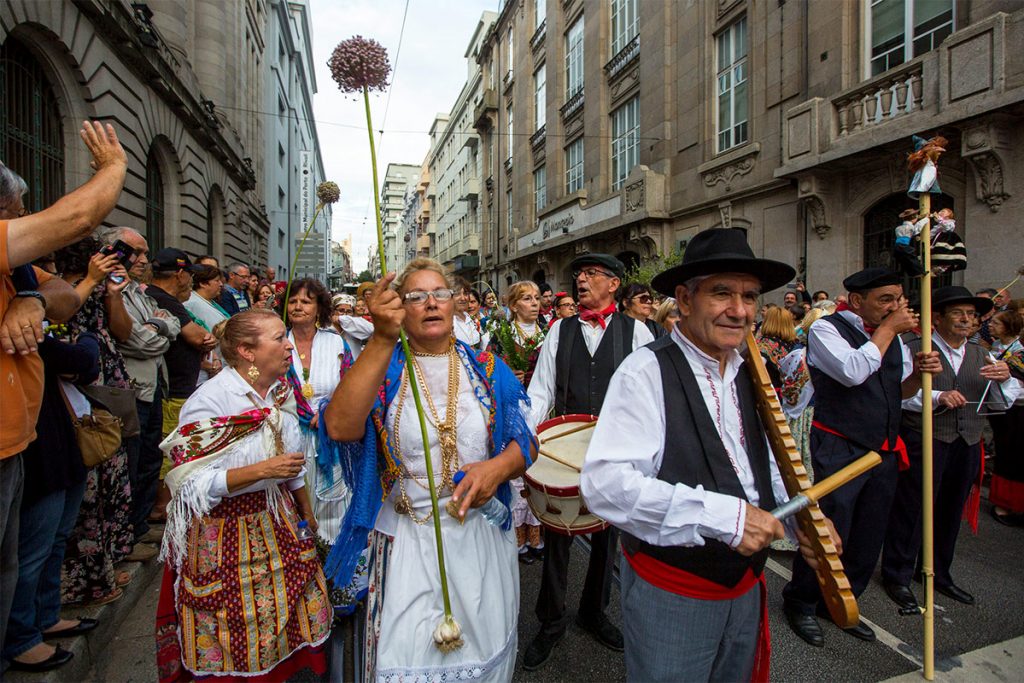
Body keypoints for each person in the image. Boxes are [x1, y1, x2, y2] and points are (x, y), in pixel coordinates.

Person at [580, 227, 832, 682]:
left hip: (745, 587)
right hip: (674, 593)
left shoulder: (750, 371)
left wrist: (801, 521)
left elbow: (768, 464)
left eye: (750, 296)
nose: (740, 310)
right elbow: (605, 486)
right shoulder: (644, 371)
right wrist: (727, 518)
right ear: (685, 298)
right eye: (722, 293)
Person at [320, 259, 536, 681]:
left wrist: (496, 469)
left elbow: (526, 442)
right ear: (400, 308)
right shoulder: (381, 371)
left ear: (456, 303)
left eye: (439, 294)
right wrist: (382, 339)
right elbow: (341, 427)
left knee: (483, 653)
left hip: (479, 539)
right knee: (405, 660)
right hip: (406, 541)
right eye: (415, 297)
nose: (430, 303)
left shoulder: (487, 368)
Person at [0, 122, 126, 660]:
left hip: (15, 442)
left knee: (13, 563)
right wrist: (113, 169)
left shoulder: (18, 273)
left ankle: (25, 631)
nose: (20, 221)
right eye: (15, 211)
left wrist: (29, 297)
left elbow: (63, 297)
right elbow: (77, 218)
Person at [155, 308, 330, 681]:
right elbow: (189, 484)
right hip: (223, 534)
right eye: (279, 338)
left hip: (276, 521)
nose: (289, 346)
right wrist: (261, 471)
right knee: (233, 628)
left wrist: (306, 513)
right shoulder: (212, 401)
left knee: (287, 614)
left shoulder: (278, 393)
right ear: (247, 352)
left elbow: (292, 464)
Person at [782, 267, 941, 647]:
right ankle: (801, 601)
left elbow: (896, 392)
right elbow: (853, 373)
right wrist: (889, 330)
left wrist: (919, 375)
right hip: (840, 446)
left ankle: (843, 601)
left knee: (869, 534)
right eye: (886, 300)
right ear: (857, 301)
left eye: (898, 300)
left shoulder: (894, 340)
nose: (896, 307)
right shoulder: (826, 330)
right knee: (829, 530)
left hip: (883, 448)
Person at [523, 253, 654, 670]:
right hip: (564, 449)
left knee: (606, 536)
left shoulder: (638, 333)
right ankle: (551, 620)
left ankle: (594, 611)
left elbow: (650, 394)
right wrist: (527, 439)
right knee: (558, 530)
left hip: (614, 451)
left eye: (591, 274)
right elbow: (542, 388)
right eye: (578, 274)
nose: (581, 279)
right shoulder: (559, 329)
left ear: (613, 284)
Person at [882, 287, 1018, 610]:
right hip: (927, 438)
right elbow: (897, 394)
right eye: (958, 313)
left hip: (968, 441)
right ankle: (897, 575)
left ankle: (938, 573)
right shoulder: (914, 347)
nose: (966, 320)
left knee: (951, 510)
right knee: (913, 509)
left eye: (971, 315)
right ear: (938, 317)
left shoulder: (981, 353)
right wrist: (935, 397)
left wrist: (1005, 378)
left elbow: (1008, 398)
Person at [2, 333, 99, 673]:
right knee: (31, 552)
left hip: (59, 442)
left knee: (55, 540)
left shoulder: (33, 315)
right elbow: (81, 360)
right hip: (35, 453)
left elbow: (82, 366)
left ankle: (46, 616)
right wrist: (86, 342)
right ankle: (21, 637)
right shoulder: (21, 324)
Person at [54, 238, 137, 602]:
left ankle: (106, 562)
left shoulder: (103, 292)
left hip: (108, 388)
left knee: (111, 477)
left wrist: (113, 294)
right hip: (76, 396)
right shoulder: (56, 291)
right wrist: (88, 282)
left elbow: (123, 332)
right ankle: (83, 580)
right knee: (88, 487)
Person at [99, 227, 180, 544]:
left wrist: (157, 325)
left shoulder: (137, 292)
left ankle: (140, 526)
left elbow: (169, 324)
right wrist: (158, 330)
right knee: (129, 466)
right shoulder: (112, 290)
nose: (145, 259)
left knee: (149, 459)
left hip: (154, 388)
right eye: (137, 251)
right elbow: (136, 340)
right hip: (130, 391)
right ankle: (124, 537)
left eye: (145, 252)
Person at [285, 279, 353, 543]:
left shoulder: (335, 343)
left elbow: (349, 386)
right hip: (289, 438)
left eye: (305, 301)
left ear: (319, 307)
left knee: (332, 506)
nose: (298, 306)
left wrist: (328, 411)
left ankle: (332, 568)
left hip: (329, 438)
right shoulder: (277, 341)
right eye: (293, 301)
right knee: (294, 506)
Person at [989, 310, 1024, 524]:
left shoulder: (1019, 352)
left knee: (1015, 456)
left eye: (996, 322)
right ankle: (1007, 502)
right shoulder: (998, 348)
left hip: (1017, 411)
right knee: (1008, 454)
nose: (990, 326)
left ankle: (1013, 504)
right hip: (1008, 411)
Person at [487, 280, 546, 386]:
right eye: (527, 299)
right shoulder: (502, 335)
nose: (535, 303)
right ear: (514, 306)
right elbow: (488, 369)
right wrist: (507, 376)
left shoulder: (548, 332)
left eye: (537, 298)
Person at [184, 264, 228, 385]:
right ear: (203, 283)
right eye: (217, 281)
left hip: (218, 366)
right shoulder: (191, 303)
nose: (221, 284)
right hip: (204, 372)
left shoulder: (212, 302)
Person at [756, 306, 798, 390]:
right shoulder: (795, 343)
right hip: (789, 393)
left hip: (770, 392)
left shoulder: (765, 343)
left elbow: (756, 369)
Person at [453, 278, 486, 350]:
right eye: (457, 293)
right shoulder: (448, 322)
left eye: (465, 293)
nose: (463, 298)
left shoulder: (472, 320)